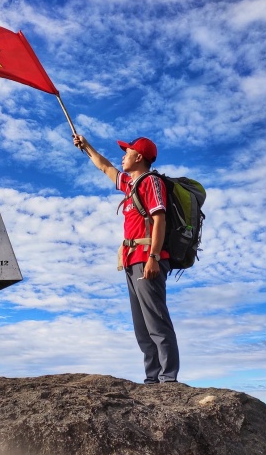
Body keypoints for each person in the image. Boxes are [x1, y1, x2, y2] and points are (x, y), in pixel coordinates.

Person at [73, 134, 180, 384]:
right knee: (141, 326)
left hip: (147, 258)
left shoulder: (150, 182)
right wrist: (86, 146)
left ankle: (168, 379)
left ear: (139, 157)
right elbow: (105, 166)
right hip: (131, 260)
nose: (123, 155)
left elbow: (159, 220)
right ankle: (152, 378)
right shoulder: (130, 184)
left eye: (127, 151)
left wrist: (153, 257)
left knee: (156, 320)